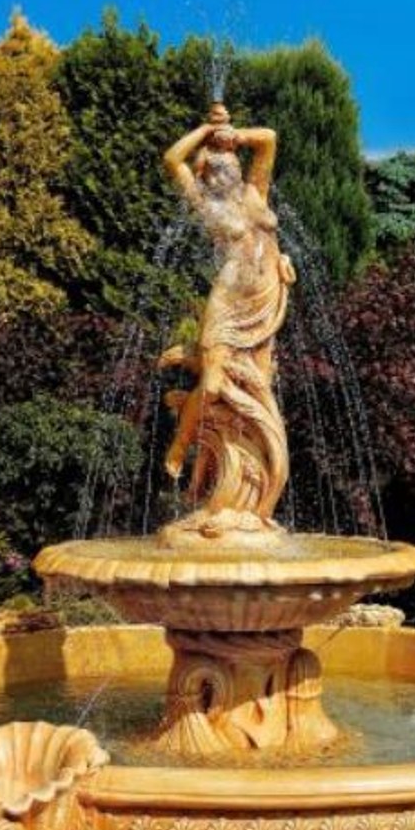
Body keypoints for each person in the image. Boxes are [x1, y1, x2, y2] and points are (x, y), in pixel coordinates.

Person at [159, 105, 294, 529]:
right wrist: (204, 129)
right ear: (206, 174)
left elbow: (269, 136)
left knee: (260, 385)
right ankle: (181, 445)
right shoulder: (203, 203)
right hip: (229, 299)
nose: (228, 170)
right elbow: (171, 160)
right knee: (215, 382)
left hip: (265, 297)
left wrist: (232, 134)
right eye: (218, 166)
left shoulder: (256, 192)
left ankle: (253, 502)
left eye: (231, 164)